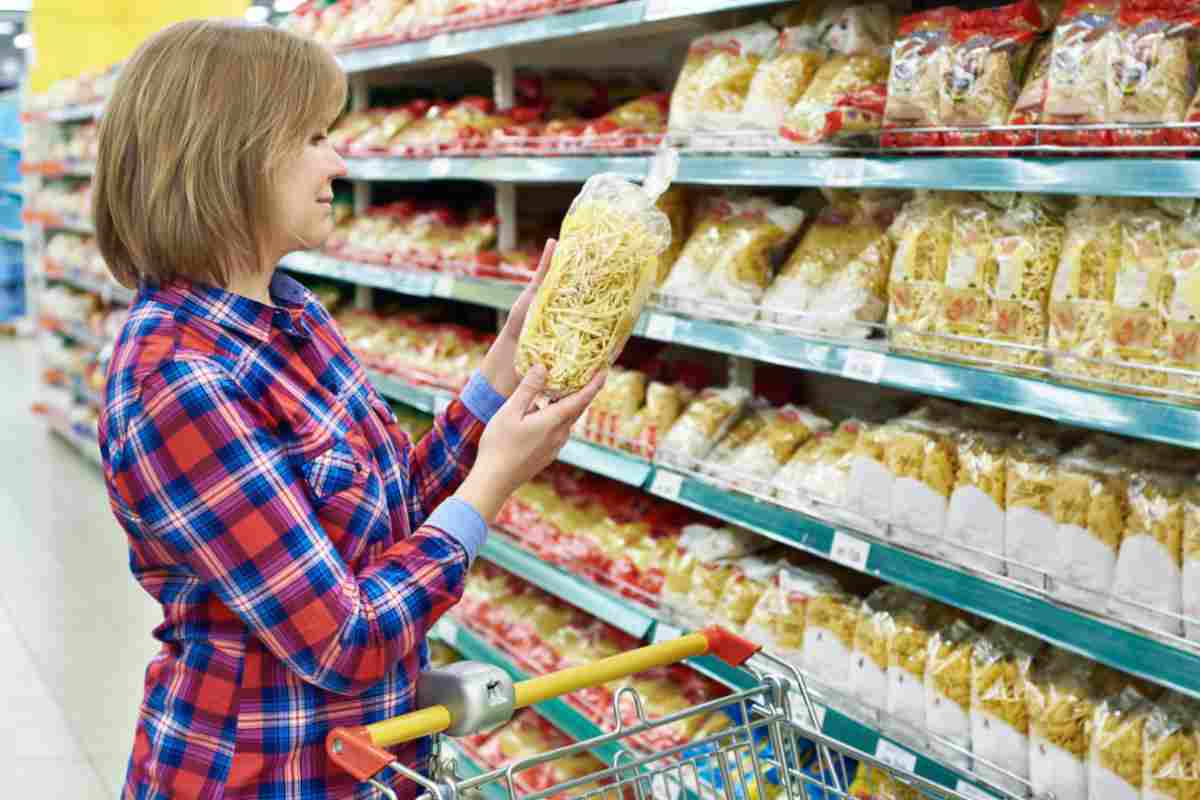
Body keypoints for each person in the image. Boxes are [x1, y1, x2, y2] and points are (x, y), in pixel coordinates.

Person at [93, 18, 603, 800]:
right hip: (260, 775)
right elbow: (343, 638)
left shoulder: (293, 317)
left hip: (365, 762)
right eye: (312, 137)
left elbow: (393, 509)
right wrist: (491, 486)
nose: (337, 159)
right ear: (230, 157)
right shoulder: (178, 378)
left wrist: (502, 377)